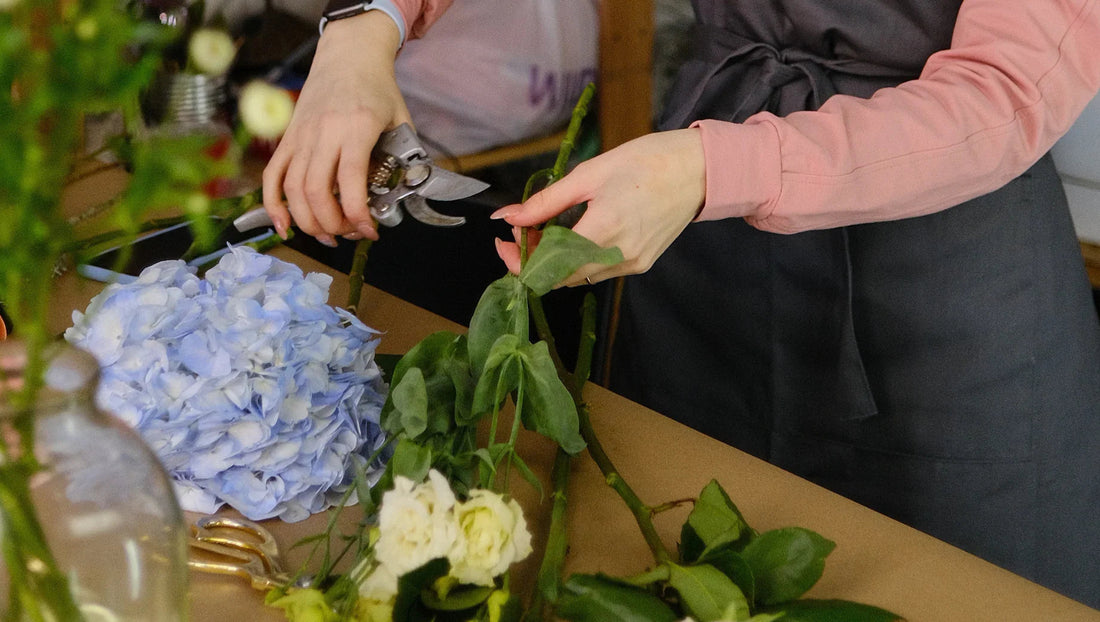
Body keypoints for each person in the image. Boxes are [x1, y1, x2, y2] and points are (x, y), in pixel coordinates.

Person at [261, 0, 1100, 608]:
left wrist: (709, 171)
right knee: (671, 559)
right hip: (698, 239)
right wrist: (362, 33)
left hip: (941, 279)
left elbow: (1007, 93)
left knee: (955, 590)